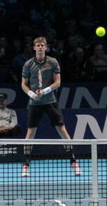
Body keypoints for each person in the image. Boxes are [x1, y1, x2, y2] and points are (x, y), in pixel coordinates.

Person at [20, 36, 80, 178]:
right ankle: (26, 164)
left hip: (50, 101)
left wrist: (44, 91)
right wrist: (31, 94)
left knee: (62, 130)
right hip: (34, 103)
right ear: (34, 48)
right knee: (30, 133)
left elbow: (58, 82)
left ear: (46, 47)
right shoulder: (28, 64)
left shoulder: (53, 62)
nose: (40, 47)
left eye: (43, 45)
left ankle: (74, 161)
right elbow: (23, 84)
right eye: (38, 45)